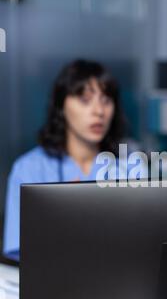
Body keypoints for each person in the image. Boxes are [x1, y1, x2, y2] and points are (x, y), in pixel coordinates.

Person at [3, 59, 131, 261]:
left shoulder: (131, 166)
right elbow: (23, 252)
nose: (99, 111)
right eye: (85, 100)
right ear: (62, 105)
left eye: (106, 100)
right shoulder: (28, 169)